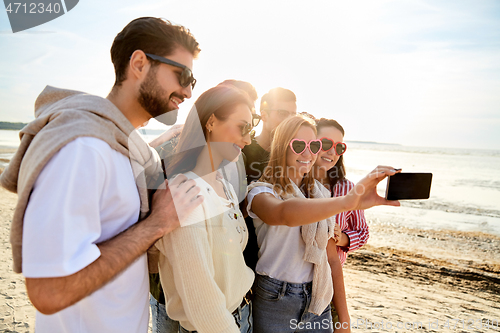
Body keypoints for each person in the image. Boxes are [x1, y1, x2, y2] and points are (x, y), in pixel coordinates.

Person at [0, 17, 203, 333]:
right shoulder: (82, 150)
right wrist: (158, 223)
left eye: (193, 81)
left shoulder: (127, 151)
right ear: (139, 64)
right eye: (183, 75)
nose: (188, 92)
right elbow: (49, 292)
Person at [246, 115, 401, 332]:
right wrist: (346, 202)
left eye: (314, 145)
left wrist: (343, 319)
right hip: (275, 299)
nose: (308, 153)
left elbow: (332, 260)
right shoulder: (261, 191)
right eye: (299, 145)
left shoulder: (320, 195)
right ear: (281, 148)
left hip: (318, 298)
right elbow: (284, 214)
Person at [149, 79, 259, 333]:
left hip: (243, 315)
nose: (248, 140)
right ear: (210, 122)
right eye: (242, 128)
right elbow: (203, 306)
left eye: (250, 131)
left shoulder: (223, 183)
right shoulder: (184, 194)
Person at [312, 118, 369, 330]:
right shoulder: (298, 186)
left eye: (339, 147)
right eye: (326, 143)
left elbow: (362, 232)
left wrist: (342, 237)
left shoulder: (348, 189)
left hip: (331, 281)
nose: (332, 152)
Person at [242, 87, 297, 271]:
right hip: (241, 253)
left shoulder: (293, 158)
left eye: (293, 115)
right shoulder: (242, 150)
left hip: (275, 263)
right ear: (263, 115)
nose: (289, 121)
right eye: (282, 113)